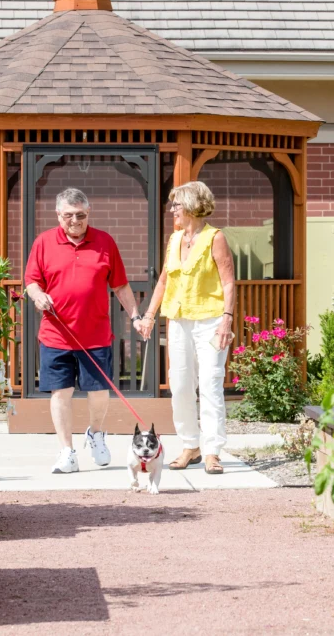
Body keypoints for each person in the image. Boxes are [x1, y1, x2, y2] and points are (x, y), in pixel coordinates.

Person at [25, 187, 144, 474]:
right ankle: (67, 451)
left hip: (95, 334)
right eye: (68, 215)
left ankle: (96, 434)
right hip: (56, 334)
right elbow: (31, 281)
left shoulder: (104, 242)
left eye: (80, 215)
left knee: (99, 391)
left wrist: (136, 316)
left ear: (88, 213)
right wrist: (38, 296)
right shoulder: (43, 242)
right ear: (58, 215)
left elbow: (120, 286)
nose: (75, 221)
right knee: (60, 393)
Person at [136, 181, 235, 474]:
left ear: (191, 205)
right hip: (178, 320)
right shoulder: (175, 239)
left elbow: (229, 281)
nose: (172, 210)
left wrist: (227, 319)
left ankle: (212, 451)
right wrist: (149, 316)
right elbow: (165, 281)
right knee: (179, 386)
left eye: (176, 205)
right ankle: (190, 445)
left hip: (211, 320)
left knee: (209, 384)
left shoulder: (215, 238)